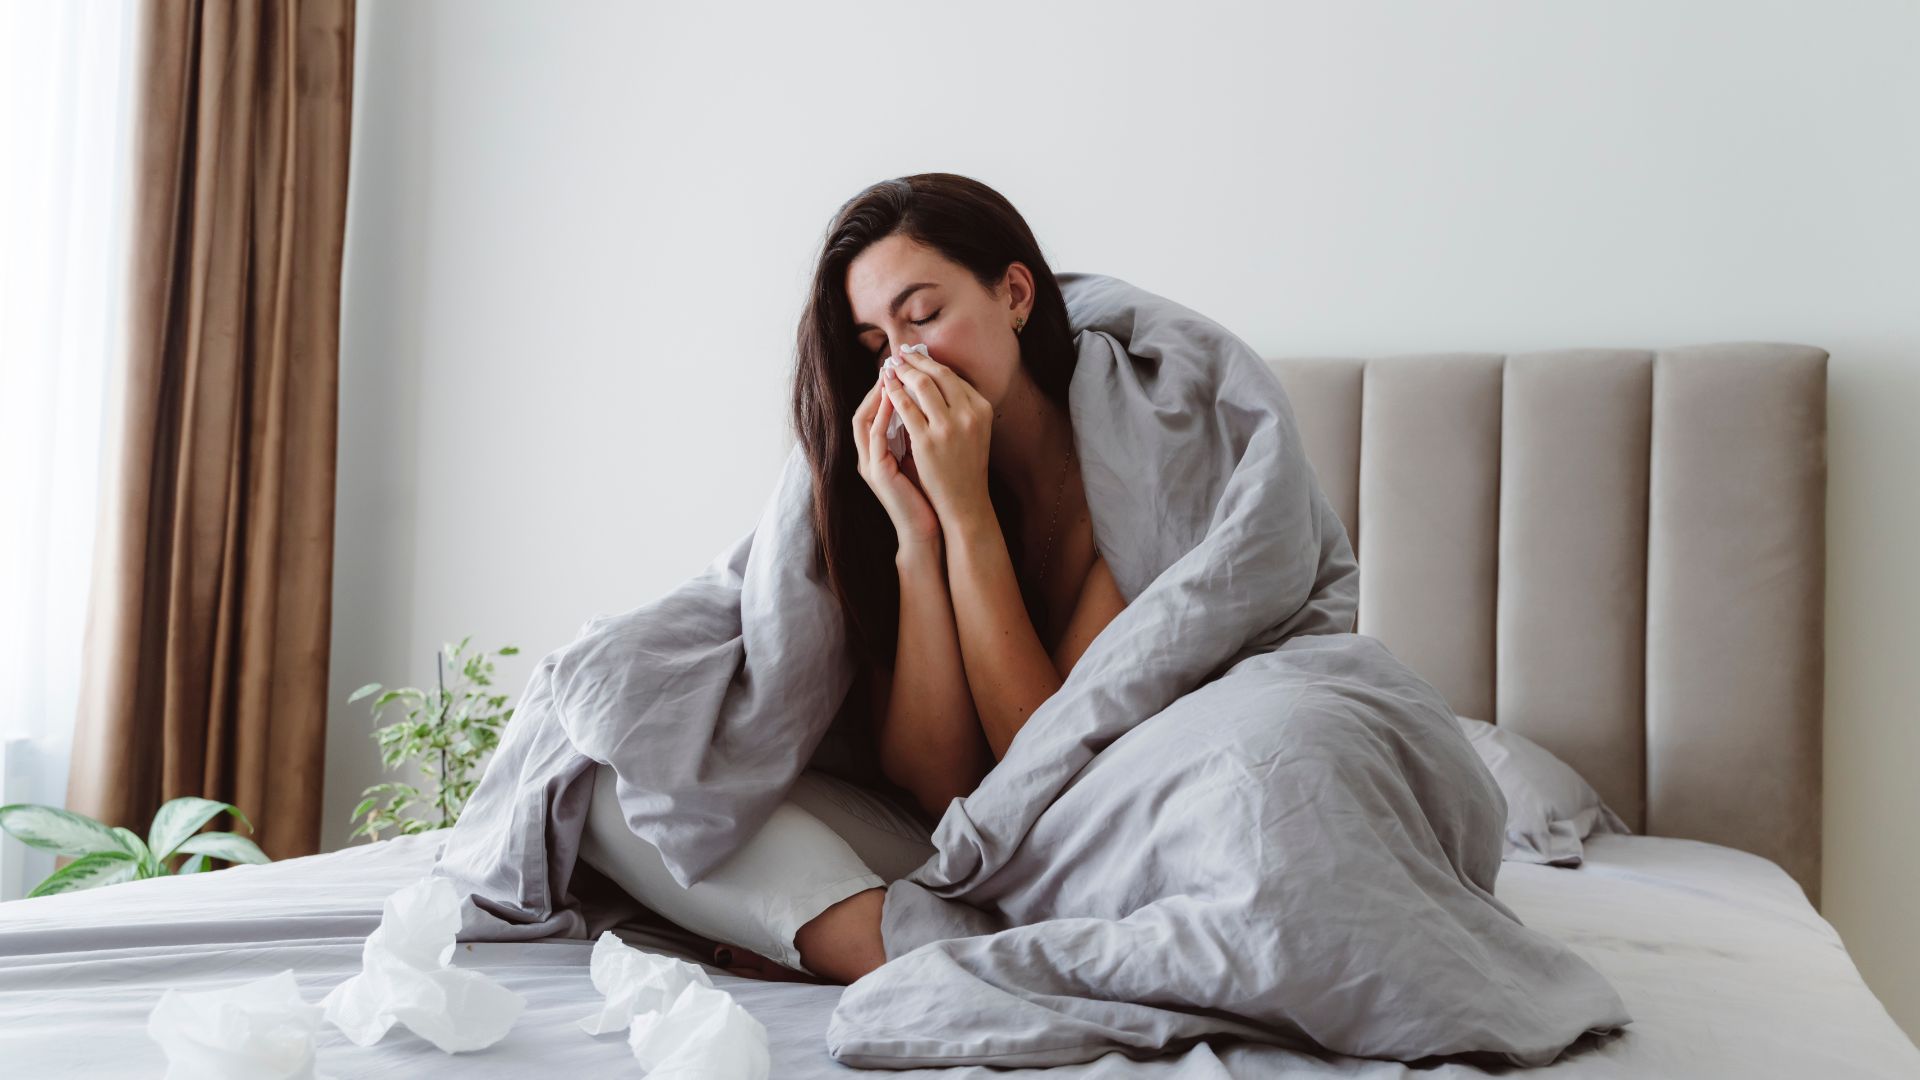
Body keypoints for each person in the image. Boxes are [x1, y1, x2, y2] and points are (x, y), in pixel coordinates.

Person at [577, 173, 1131, 985]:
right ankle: (900, 953)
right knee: (609, 770)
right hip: (938, 847)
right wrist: (919, 531)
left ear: (1015, 293)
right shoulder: (898, 482)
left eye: (925, 316)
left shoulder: (1127, 489)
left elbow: (1038, 774)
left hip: (1067, 855)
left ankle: (912, 962)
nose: (904, 364)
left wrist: (968, 512)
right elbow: (935, 782)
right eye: (875, 345)